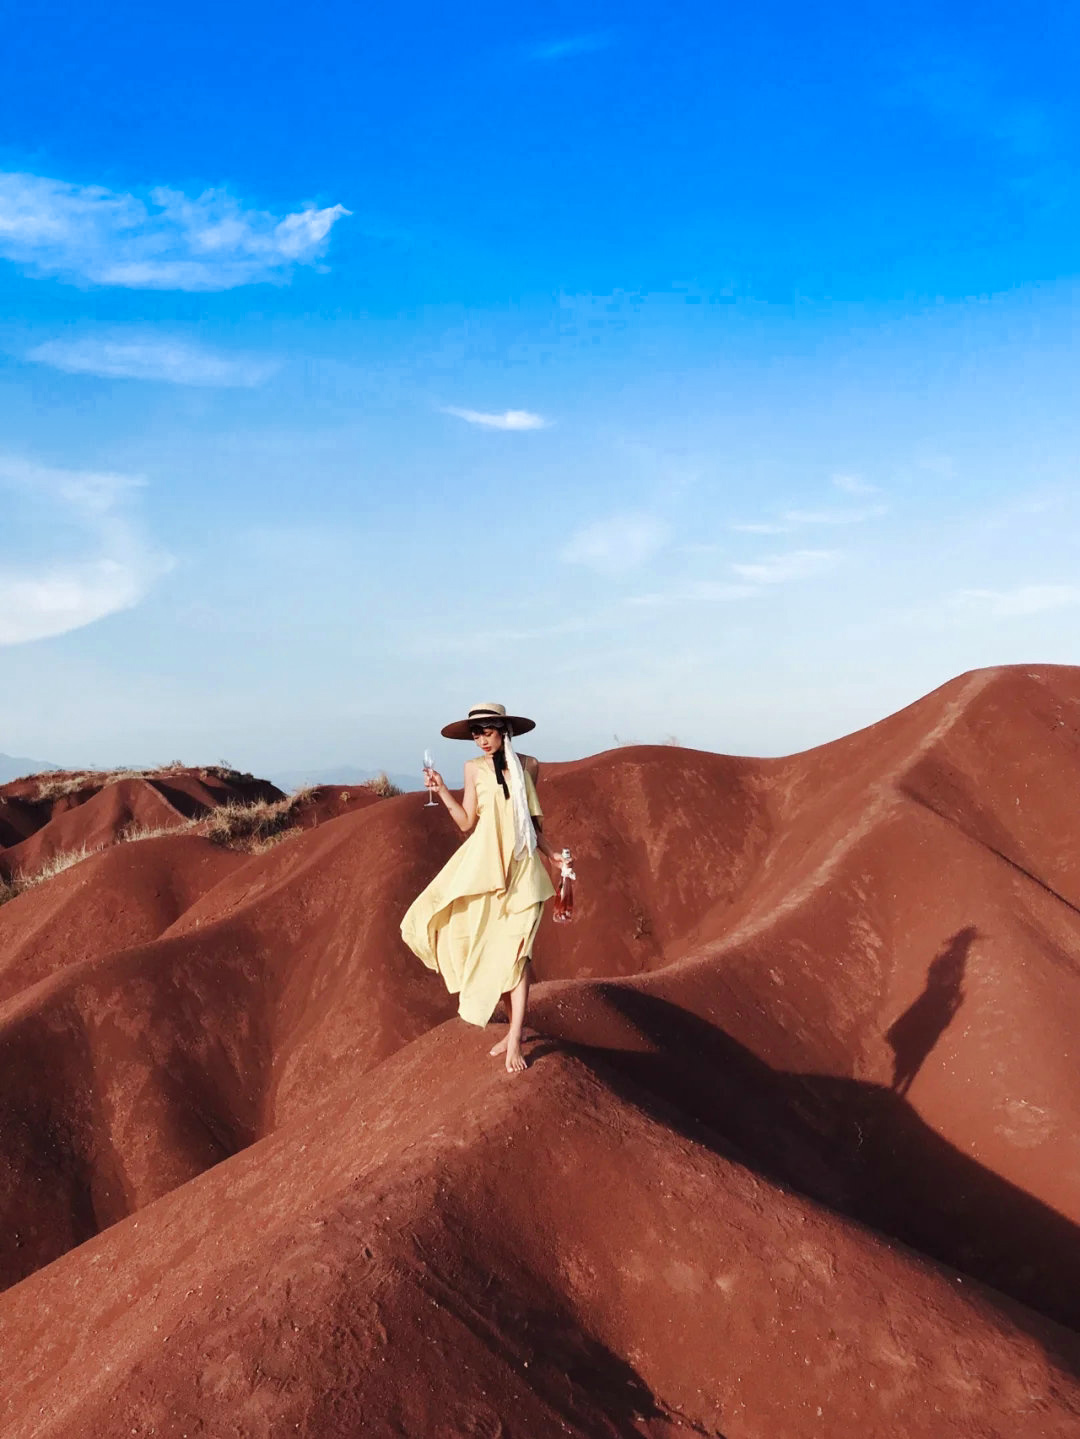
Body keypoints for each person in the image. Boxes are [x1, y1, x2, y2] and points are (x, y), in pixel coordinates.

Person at [400, 702, 567, 1073]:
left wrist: (552, 855)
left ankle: (516, 1038)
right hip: (488, 866)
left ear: (503, 729)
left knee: (519, 954)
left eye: (487, 731)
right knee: (498, 952)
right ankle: (514, 1032)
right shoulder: (472, 769)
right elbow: (465, 822)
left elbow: (529, 823)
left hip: (523, 868)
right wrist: (442, 790)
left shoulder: (529, 765)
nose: (480, 740)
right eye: (475, 734)